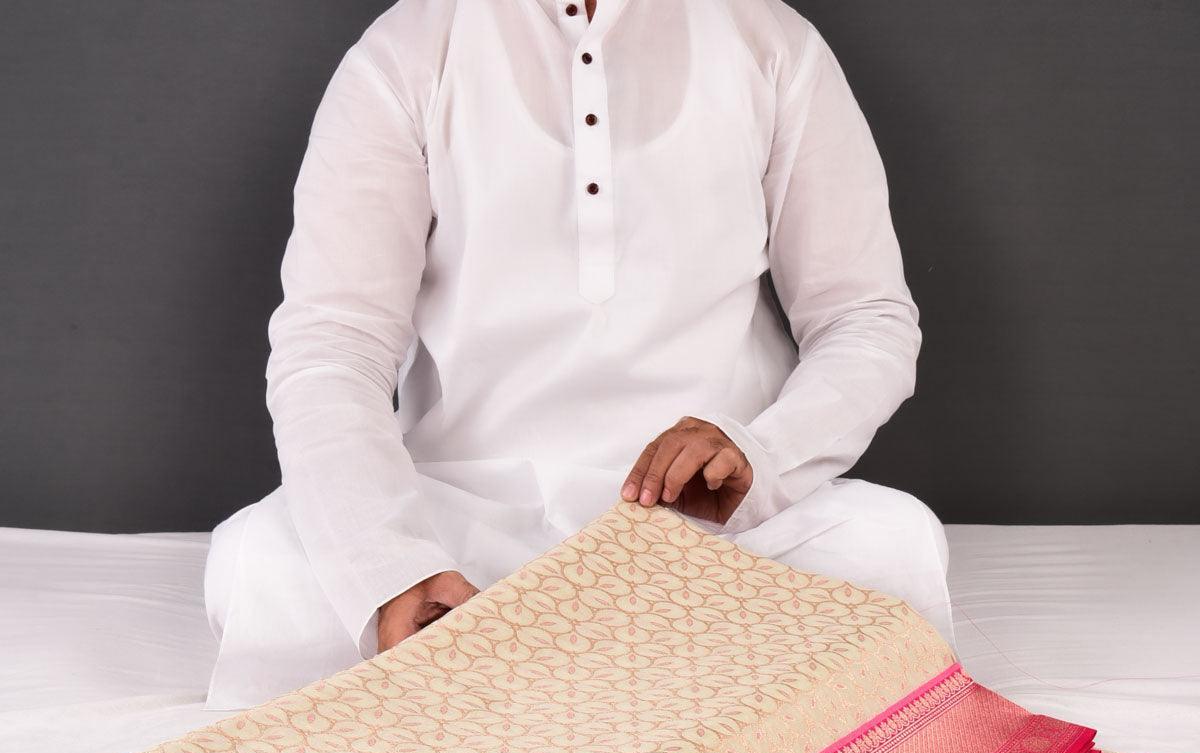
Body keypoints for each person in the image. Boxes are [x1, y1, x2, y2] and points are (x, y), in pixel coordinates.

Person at [204, 0, 953, 710]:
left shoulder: (770, 43)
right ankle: (653, 681)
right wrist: (395, 569)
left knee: (891, 546)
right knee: (262, 562)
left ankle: (507, 685)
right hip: (468, 522)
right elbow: (332, 344)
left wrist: (764, 455)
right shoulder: (407, 52)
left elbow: (865, 317)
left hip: (715, 529)